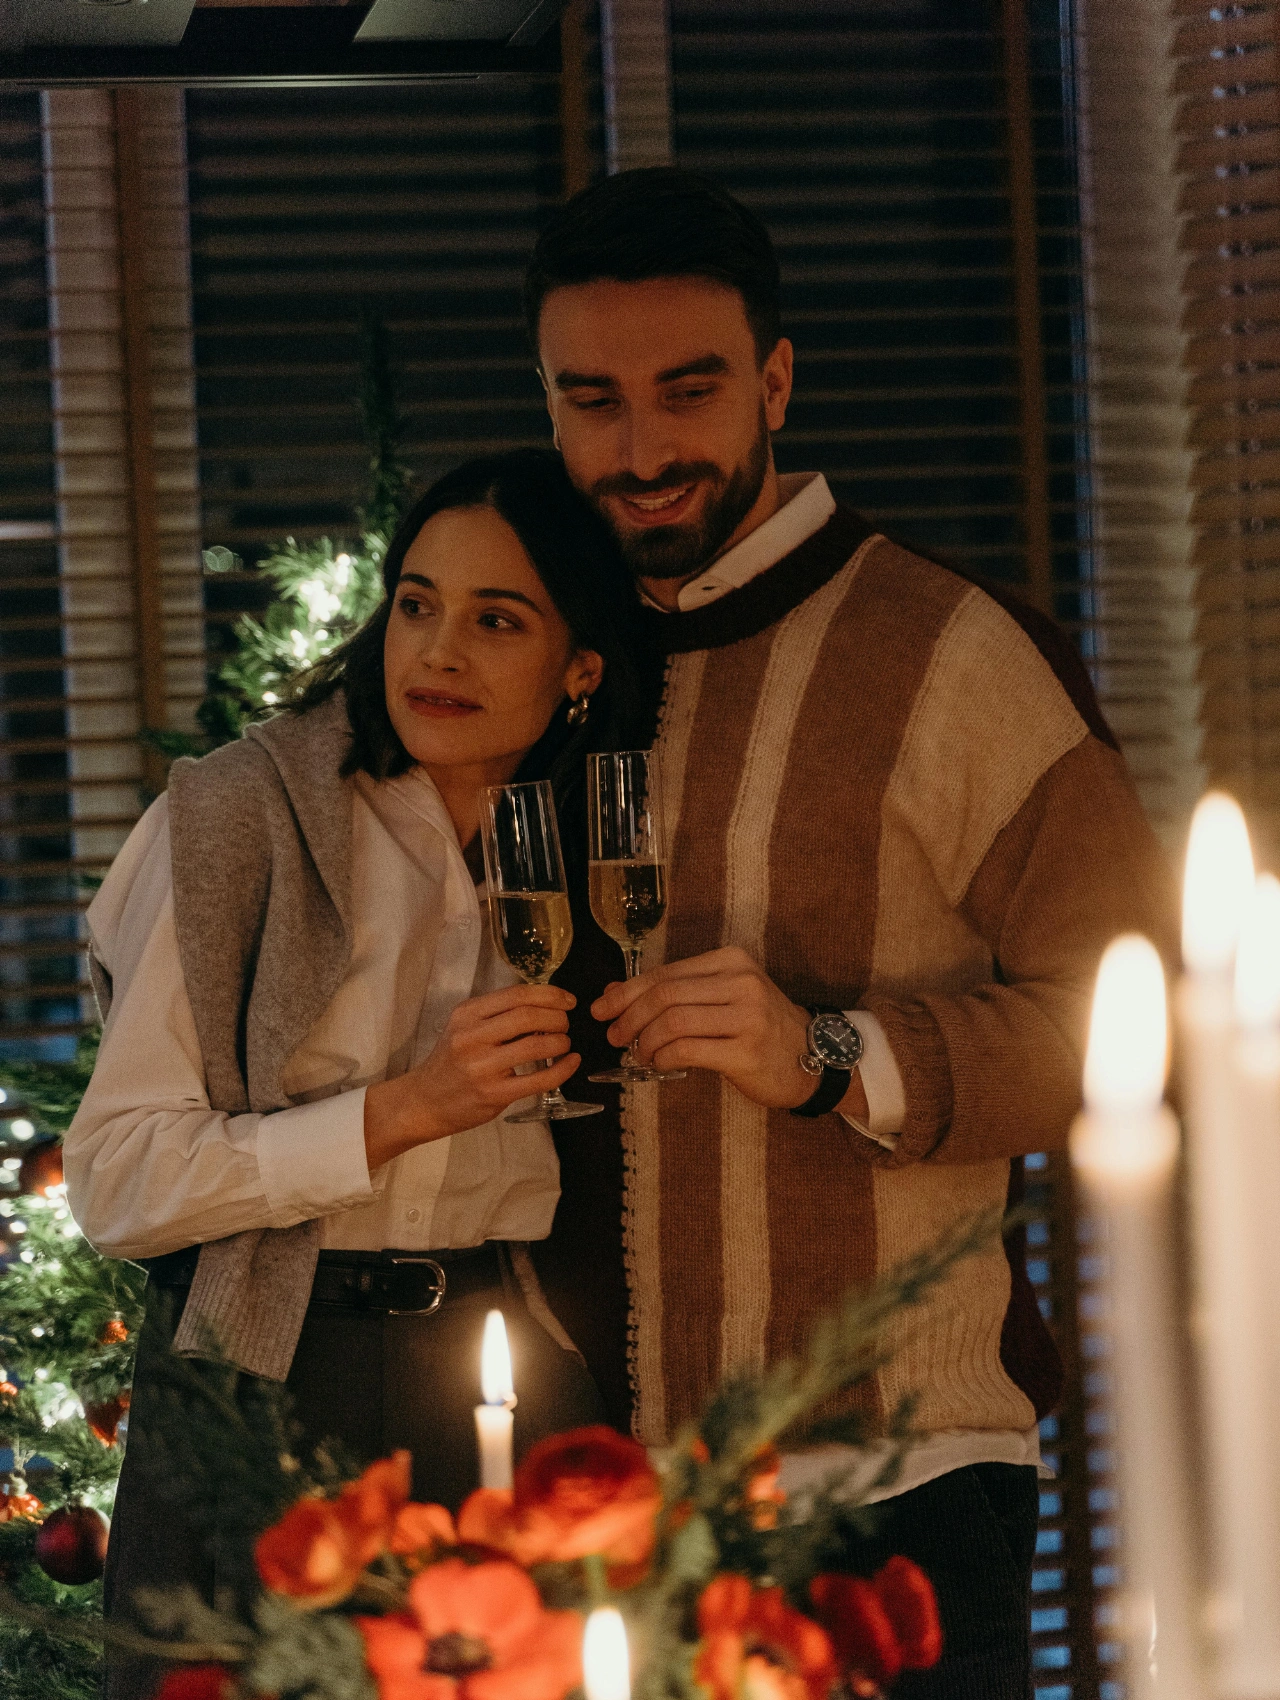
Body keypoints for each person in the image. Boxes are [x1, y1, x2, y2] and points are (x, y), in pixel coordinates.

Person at [522, 169, 1177, 1699]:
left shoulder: (954, 650)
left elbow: (1133, 1023)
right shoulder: (527, 648)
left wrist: (830, 1054)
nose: (640, 451)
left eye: (689, 393)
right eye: (591, 400)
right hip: (575, 1505)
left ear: (777, 380)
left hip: (887, 1490)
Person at [63, 448, 651, 1700]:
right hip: (272, 1381)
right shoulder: (235, 820)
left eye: (497, 621)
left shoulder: (602, 836)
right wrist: (401, 1112)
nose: (436, 650)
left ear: (580, 668)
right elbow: (113, 1181)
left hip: (511, 1367)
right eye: (418, 602)